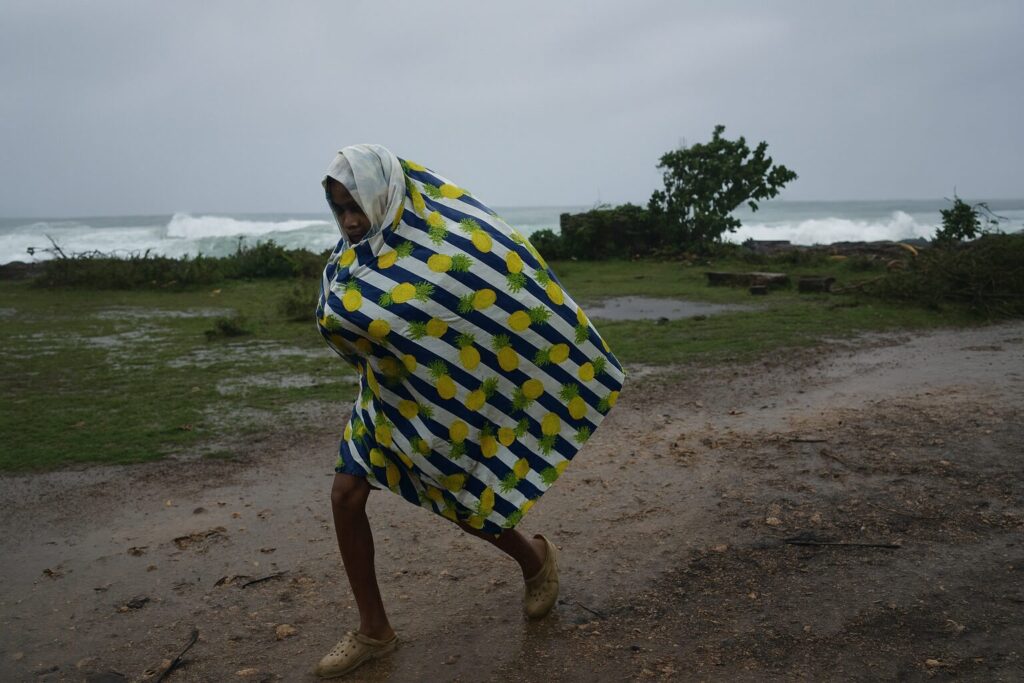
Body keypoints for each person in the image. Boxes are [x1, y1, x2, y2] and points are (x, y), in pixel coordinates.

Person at [313, 144, 624, 678]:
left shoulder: (446, 246)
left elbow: (500, 299)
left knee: (463, 496)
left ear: (384, 195)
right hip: (385, 398)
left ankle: (534, 560)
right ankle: (374, 629)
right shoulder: (348, 264)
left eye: (356, 205)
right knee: (345, 496)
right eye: (339, 208)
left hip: (447, 400)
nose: (350, 220)